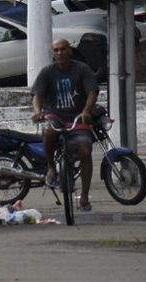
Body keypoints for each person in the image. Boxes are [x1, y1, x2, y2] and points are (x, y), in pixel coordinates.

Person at [31, 38, 99, 211]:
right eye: (56, 50)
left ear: (70, 50)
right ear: (53, 53)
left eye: (62, 49)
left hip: (77, 118)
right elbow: (37, 95)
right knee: (48, 132)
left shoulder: (82, 69)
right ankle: (52, 168)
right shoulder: (47, 71)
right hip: (55, 115)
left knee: (85, 149)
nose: (59, 53)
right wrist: (37, 111)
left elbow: (92, 91)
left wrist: (86, 111)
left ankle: (84, 196)